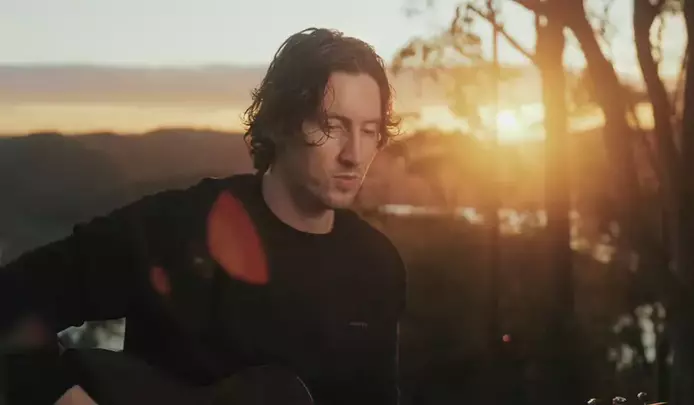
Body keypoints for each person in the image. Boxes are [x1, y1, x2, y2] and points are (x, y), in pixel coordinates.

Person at [0, 27, 406, 405]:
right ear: (282, 124)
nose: (355, 154)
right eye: (333, 126)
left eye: (369, 130)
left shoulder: (376, 265)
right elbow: (14, 295)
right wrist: (56, 391)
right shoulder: (176, 228)